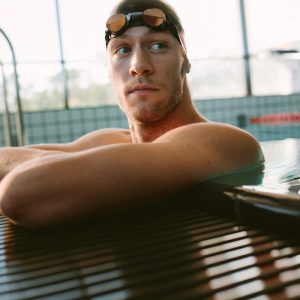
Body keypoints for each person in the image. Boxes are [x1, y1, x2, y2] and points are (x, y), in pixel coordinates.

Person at [0, 0, 264, 229]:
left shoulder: (224, 142)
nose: (138, 66)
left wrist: (64, 166)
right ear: (108, 70)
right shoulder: (110, 142)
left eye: (158, 45)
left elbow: (19, 192)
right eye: (122, 50)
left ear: (185, 60)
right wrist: (64, 166)